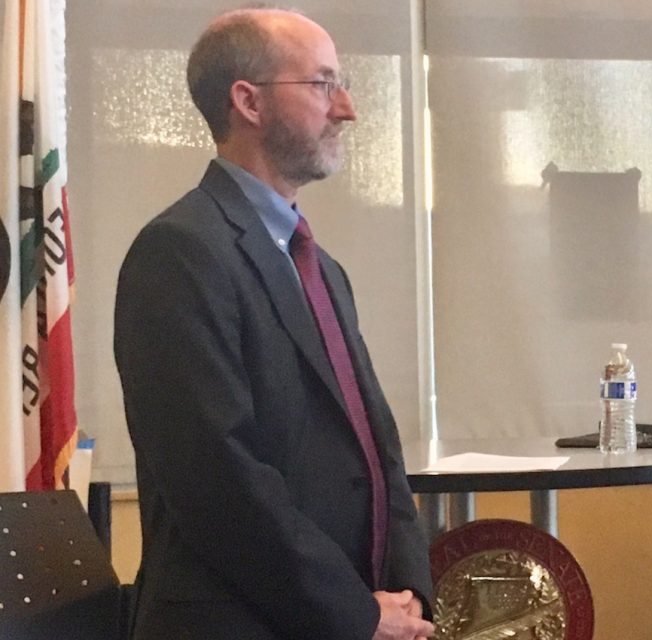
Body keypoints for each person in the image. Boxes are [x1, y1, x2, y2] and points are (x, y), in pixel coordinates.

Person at [114, 8, 435, 640]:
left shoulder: (322, 267)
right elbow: (219, 479)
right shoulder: (179, 253)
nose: (346, 108)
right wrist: (357, 612)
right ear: (248, 101)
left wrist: (407, 591)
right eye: (321, 84)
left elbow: (375, 447)